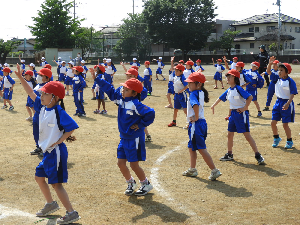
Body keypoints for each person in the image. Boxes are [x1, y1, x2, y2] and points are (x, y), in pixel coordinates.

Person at [15, 64, 81, 224]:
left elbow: (72, 127)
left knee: (56, 184)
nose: (41, 95)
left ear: (55, 97)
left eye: (45, 94)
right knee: (39, 177)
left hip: (56, 152)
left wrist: (60, 140)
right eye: (42, 93)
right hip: (47, 152)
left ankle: (71, 213)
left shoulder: (59, 112)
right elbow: (30, 92)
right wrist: (20, 77)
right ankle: (51, 204)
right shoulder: (42, 107)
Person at [91, 74, 155, 196]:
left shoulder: (136, 104)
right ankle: (131, 183)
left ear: (134, 93)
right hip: (124, 138)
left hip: (134, 138)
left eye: (126, 90)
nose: (123, 91)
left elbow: (150, 113)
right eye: (123, 89)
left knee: (134, 165)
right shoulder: (121, 100)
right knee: (120, 163)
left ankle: (145, 183)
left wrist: (140, 124)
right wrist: (97, 78)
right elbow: (109, 89)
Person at [211, 69, 265, 165]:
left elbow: (250, 97)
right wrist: (213, 105)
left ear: (235, 78)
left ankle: (258, 155)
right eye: (227, 76)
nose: (227, 78)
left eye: (230, 76)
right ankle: (229, 154)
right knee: (230, 134)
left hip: (241, 114)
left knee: (247, 135)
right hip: (233, 115)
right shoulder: (229, 90)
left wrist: (245, 108)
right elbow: (220, 97)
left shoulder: (238, 88)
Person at [182, 72, 222, 180]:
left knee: (201, 148)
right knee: (191, 147)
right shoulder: (200, 92)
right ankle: (192, 169)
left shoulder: (193, 94)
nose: (188, 85)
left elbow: (196, 105)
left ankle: (214, 170)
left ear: (198, 84)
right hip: (202, 123)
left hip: (196, 124)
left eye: (190, 83)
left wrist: (195, 116)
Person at [268, 57, 298, 149]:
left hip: (287, 103)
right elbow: (269, 72)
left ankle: (289, 141)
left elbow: (293, 93)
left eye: (281, 70)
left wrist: (288, 103)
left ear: (287, 71)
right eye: (279, 70)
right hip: (278, 102)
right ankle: (276, 138)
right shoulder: (277, 79)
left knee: (285, 124)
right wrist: (269, 64)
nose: (279, 72)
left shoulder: (290, 81)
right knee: (273, 122)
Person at [30, 68, 52, 156]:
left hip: (44, 113)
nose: (38, 77)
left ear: (47, 78)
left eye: (41, 75)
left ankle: (45, 149)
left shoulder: (48, 87)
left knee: (44, 131)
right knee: (36, 131)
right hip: (37, 113)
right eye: (38, 75)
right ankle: (39, 147)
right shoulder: (38, 85)